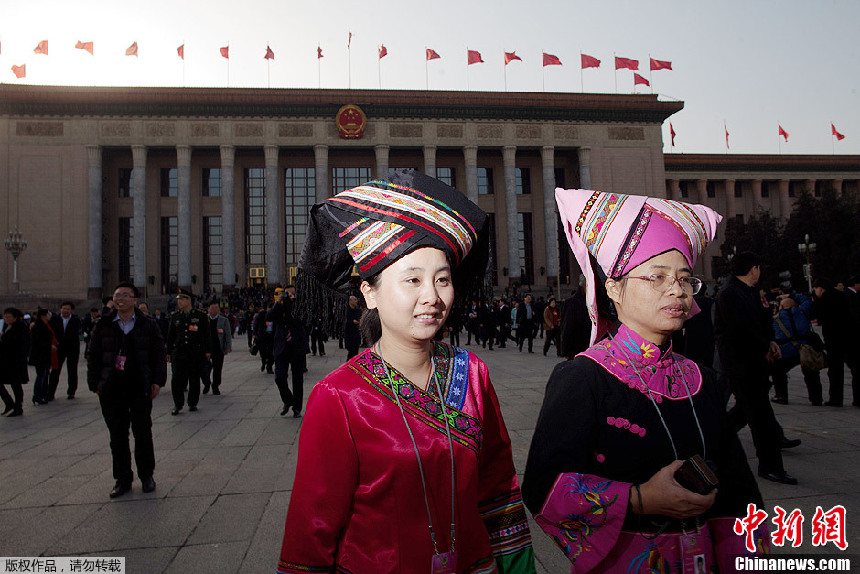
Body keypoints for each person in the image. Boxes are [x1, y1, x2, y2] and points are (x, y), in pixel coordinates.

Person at [279, 170, 535, 573]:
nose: (431, 297)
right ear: (370, 291)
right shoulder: (341, 396)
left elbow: (499, 489)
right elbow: (313, 528)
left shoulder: (472, 374)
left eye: (442, 280)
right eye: (412, 280)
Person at [523, 189, 768, 573]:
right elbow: (542, 488)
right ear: (614, 288)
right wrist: (638, 499)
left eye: (686, 279)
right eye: (657, 277)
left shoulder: (702, 380)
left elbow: (739, 494)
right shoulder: (584, 378)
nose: (676, 290)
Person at [715, 252, 799, 484]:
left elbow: (763, 321)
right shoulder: (729, 294)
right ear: (754, 268)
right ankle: (770, 466)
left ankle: (711, 442)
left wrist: (771, 341)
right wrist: (764, 346)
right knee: (761, 417)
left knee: (745, 411)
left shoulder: (749, 291)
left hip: (754, 362)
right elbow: (739, 330)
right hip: (742, 364)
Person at [87, 282, 167, 498]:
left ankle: (146, 475)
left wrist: (158, 381)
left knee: (142, 432)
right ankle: (122, 479)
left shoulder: (147, 324)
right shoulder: (103, 324)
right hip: (112, 388)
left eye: (125, 295)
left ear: (135, 300)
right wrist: (95, 384)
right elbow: (93, 355)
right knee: (117, 435)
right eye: (116, 295)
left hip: (139, 385)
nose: (119, 299)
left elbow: (159, 354)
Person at [770, 294, 823, 405]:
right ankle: (816, 398)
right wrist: (791, 295)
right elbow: (806, 299)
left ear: (781, 307)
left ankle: (781, 396)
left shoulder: (775, 319)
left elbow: (774, 335)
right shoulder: (802, 312)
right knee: (811, 373)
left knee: (778, 372)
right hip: (805, 348)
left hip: (786, 350)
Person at [166, 288, 211, 415]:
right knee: (176, 380)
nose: (179, 302)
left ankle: (192, 402)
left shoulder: (200, 316)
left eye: (182, 299)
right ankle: (178, 404)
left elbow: (206, 334)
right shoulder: (175, 316)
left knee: (194, 379)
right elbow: (171, 336)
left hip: (194, 352)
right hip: (179, 353)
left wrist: (207, 350)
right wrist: (168, 352)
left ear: (189, 300)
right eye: (179, 299)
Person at [811, 278, 854, 407]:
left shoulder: (824, 299)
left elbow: (813, 314)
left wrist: (815, 300)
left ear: (820, 288)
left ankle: (836, 398)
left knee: (835, 369)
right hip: (848, 335)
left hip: (833, 338)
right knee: (853, 368)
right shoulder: (842, 296)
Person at [270, 286, 308, 417]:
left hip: (297, 346)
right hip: (281, 347)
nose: (289, 295)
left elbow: (300, 321)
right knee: (279, 377)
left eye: (292, 293)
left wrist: (294, 303)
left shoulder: (300, 306)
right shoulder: (279, 306)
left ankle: (297, 408)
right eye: (287, 293)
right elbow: (269, 317)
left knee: (298, 380)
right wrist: (278, 302)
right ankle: (288, 400)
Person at [48, 301, 82, 400]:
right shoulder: (54, 319)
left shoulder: (76, 320)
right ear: (60, 309)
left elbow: (77, 331)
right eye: (64, 308)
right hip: (59, 348)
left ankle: (71, 391)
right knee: (55, 370)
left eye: (67, 309)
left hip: (72, 348)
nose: (65, 310)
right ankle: (50, 392)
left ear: (71, 310)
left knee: (72, 370)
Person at [1, 307, 29, 417]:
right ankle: (9, 403)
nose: (6, 318)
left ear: (15, 317)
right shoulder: (6, 326)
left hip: (15, 361)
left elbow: (19, 344)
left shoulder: (20, 327)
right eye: (5, 316)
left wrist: (3, 338)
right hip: (5, 361)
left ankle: (18, 406)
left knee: (15, 384)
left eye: (9, 316)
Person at [202, 300, 232, 395]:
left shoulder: (224, 320)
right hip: (205, 348)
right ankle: (206, 383)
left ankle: (215, 386)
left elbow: (228, 334)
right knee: (203, 368)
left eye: (217, 308)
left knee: (218, 368)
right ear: (208, 309)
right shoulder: (203, 320)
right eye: (213, 308)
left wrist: (228, 346)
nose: (215, 310)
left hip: (218, 348)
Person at [29, 309, 57, 405]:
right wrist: (50, 345)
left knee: (44, 375)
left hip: (45, 355)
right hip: (40, 356)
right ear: (43, 316)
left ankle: (43, 394)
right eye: (48, 314)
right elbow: (37, 342)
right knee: (41, 375)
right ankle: (37, 396)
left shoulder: (46, 325)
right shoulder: (37, 327)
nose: (50, 316)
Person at [343, 295, 362, 359]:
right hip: (349, 334)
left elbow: (359, 319)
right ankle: (348, 365)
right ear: (350, 301)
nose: (356, 301)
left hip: (356, 334)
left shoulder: (358, 310)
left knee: (355, 352)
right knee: (351, 352)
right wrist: (353, 321)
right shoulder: (347, 311)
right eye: (355, 300)